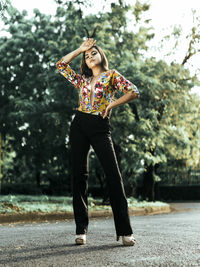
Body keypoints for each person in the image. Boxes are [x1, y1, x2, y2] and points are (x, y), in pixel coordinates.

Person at [56, 38, 140, 246]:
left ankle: (125, 231)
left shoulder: (112, 76)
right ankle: (81, 230)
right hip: (79, 124)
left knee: (113, 175)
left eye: (93, 53)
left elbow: (134, 91)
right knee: (79, 176)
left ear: (102, 56)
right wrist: (79, 49)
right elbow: (60, 65)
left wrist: (111, 104)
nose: (90, 56)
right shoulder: (82, 80)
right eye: (87, 55)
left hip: (100, 125)